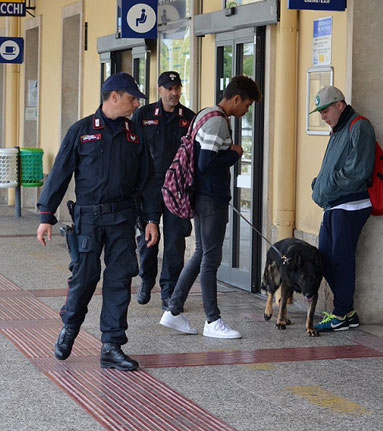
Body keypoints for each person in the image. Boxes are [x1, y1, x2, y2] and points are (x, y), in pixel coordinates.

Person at [36, 72, 160, 371]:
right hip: (89, 219)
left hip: (122, 219)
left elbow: (148, 181)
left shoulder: (135, 135)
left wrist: (152, 219)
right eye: (132, 98)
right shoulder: (81, 131)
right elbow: (60, 173)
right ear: (113, 96)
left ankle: (112, 346)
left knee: (119, 281)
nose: (135, 104)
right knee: (84, 278)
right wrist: (45, 215)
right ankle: (69, 328)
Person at [159, 75, 261, 339]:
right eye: (247, 105)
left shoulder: (205, 113)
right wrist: (235, 154)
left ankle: (173, 310)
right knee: (211, 259)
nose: (246, 111)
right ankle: (212, 320)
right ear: (237, 98)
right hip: (210, 199)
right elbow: (207, 163)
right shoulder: (217, 121)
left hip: (201, 196)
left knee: (200, 254)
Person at [310, 85, 375, 332]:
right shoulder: (337, 129)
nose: (322, 116)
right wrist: (319, 184)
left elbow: (358, 171)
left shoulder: (359, 126)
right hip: (334, 205)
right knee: (325, 258)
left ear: (339, 105)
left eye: (325, 110)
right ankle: (347, 312)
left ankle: (340, 314)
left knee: (341, 261)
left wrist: (327, 184)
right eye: (319, 112)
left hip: (350, 205)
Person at [132, 71, 195, 309]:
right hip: (148, 188)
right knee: (148, 240)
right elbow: (133, 149)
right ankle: (147, 280)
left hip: (177, 190)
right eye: (169, 88)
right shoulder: (144, 115)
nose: (174, 92)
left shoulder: (188, 117)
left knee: (174, 243)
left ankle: (169, 291)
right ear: (159, 90)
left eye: (177, 87)